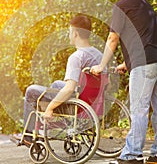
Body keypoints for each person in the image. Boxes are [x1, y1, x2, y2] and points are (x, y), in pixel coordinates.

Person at [90, 0, 157, 164]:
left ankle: (132, 155)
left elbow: (112, 39)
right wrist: (128, 62)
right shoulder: (145, 5)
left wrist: (101, 65)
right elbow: (146, 37)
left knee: (139, 110)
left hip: (145, 64)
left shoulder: (122, 6)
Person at [12, 15, 103, 147]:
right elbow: (107, 84)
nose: (69, 35)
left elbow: (70, 89)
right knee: (56, 84)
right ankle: (44, 124)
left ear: (75, 33)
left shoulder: (77, 57)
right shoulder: (98, 55)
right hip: (93, 100)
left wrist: (50, 108)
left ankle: (29, 134)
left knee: (31, 91)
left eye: (70, 32)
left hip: (78, 103)